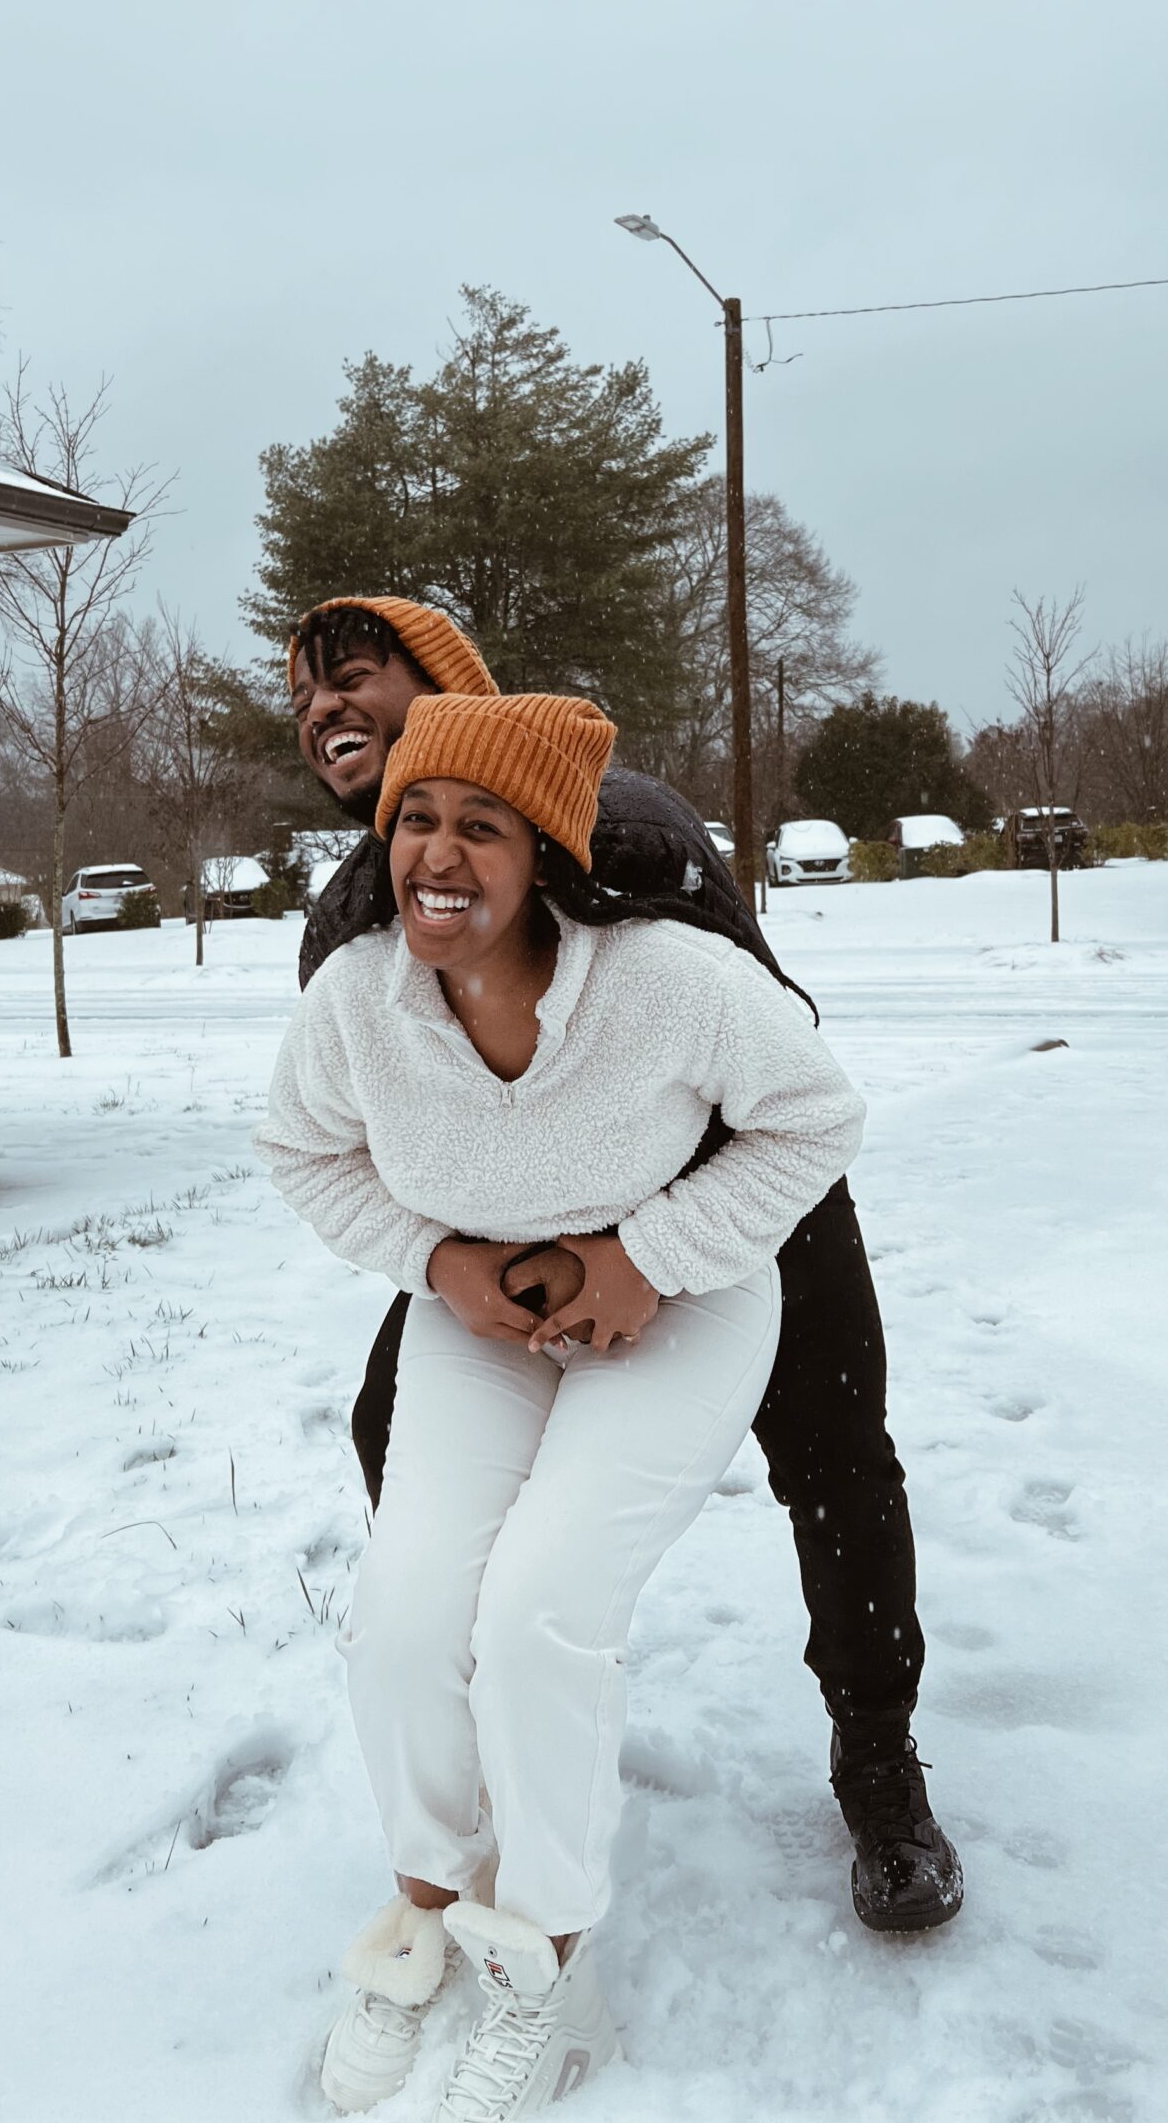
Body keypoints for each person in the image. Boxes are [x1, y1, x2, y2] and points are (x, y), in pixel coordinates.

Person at [286, 596, 965, 1938]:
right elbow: (362, 1123)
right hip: (519, 1227)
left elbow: (784, 1069)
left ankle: (878, 1757)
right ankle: (504, 1710)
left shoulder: (635, 831)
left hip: (735, 1190)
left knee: (833, 1452)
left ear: (452, 687)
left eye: (353, 682)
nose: (322, 714)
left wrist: (656, 1250)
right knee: (395, 1428)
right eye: (305, 700)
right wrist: (448, 1254)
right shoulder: (358, 909)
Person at [259, 689, 865, 2117]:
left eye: (481, 826)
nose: (438, 855)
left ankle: (550, 1963)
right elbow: (300, 1153)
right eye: (417, 819)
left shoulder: (667, 979)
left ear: (547, 856)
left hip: (684, 1302)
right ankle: (421, 1916)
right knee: (406, 1619)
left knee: (537, 1615)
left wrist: (646, 1257)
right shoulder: (359, 999)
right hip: (481, 1318)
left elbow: (817, 1117)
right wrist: (441, 1265)